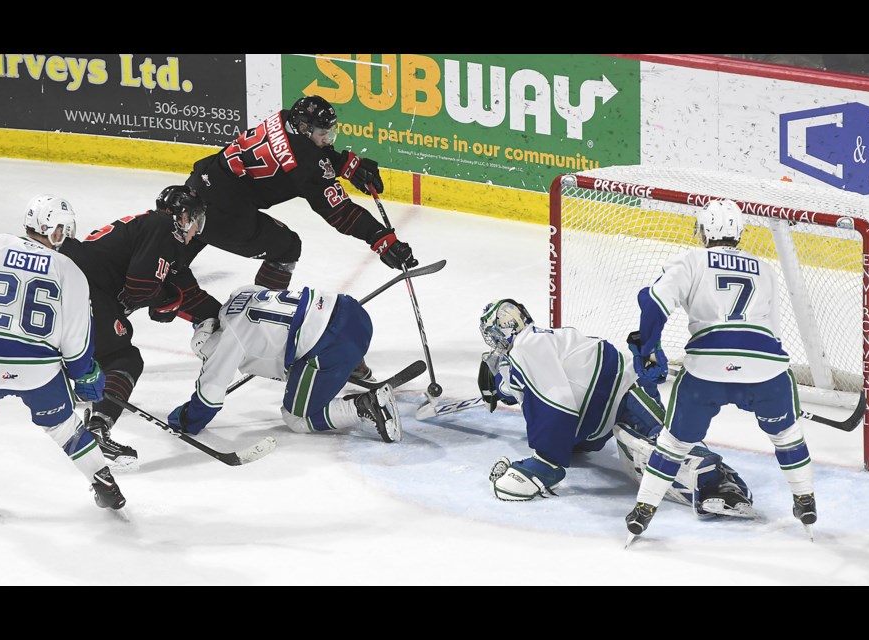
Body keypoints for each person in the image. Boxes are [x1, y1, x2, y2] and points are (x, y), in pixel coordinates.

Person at [180, 94, 419, 382]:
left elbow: (310, 155)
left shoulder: (284, 120)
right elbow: (340, 212)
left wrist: (346, 164)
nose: (329, 138)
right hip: (220, 215)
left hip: (197, 191)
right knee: (285, 247)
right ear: (305, 129)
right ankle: (254, 325)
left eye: (331, 132)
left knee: (168, 264)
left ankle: (240, 320)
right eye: (323, 133)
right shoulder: (305, 161)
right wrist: (380, 238)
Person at [623, 199, 816, 541]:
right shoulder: (765, 268)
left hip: (706, 369)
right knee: (787, 434)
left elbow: (652, 302)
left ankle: (644, 509)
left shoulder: (691, 260)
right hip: (766, 369)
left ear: (703, 231)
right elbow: (772, 333)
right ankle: (804, 499)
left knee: (674, 442)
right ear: (739, 233)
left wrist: (648, 347)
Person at [0, 194, 126, 511]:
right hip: (39, 372)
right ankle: (102, 480)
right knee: (66, 429)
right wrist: (84, 373)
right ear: (54, 229)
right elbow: (76, 338)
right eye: (63, 229)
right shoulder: (69, 270)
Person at [478, 298, 754, 520]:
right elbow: (534, 386)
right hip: (602, 401)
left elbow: (554, 399)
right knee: (650, 449)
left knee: (666, 440)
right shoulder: (538, 341)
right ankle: (706, 476)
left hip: (625, 389)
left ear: (499, 332)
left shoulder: (528, 348)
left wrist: (547, 462)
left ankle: (723, 485)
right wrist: (503, 388)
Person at [58, 185, 220, 468]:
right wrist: (165, 300)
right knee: (123, 358)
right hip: (85, 290)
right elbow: (140, 287)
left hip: (71, 286)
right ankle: (98, 427)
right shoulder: (161, 228)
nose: (197, 229)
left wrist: (222, 316)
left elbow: (187, 294)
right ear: (182, 216)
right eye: (196, 219)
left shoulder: (157, 236)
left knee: (101, 351)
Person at [167, 284, 402, 443]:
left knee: (296, 418)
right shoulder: (239, 294)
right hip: (352, 312)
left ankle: (365, 405)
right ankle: (357, 368)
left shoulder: (228, 342)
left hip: (335, 347)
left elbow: (208, 399)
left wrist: (185, 419)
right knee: (298, 344)